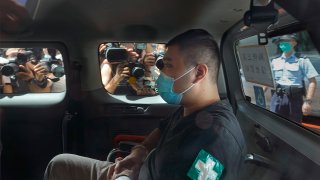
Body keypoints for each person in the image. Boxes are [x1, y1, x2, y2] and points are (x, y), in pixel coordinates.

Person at [44, 29, 246, 180]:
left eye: (168, 66)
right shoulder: (189, 109)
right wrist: (140, 151)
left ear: (199, 73)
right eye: (161, 65)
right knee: (60, 165)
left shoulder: (217, 139)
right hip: (139, 171)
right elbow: (161, 129)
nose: (162, 74)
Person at [269, 34, 318, 123]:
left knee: (294, 126)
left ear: (294, 43)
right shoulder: (275, 61)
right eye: (281, 42)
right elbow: (269, 79)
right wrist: (261, 91)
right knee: (274, 123)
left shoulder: (302, 60)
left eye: (286, 41)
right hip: (277, 97)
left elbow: (313, 82)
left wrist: (307, 102)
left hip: (294, 99)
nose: (283, 44)